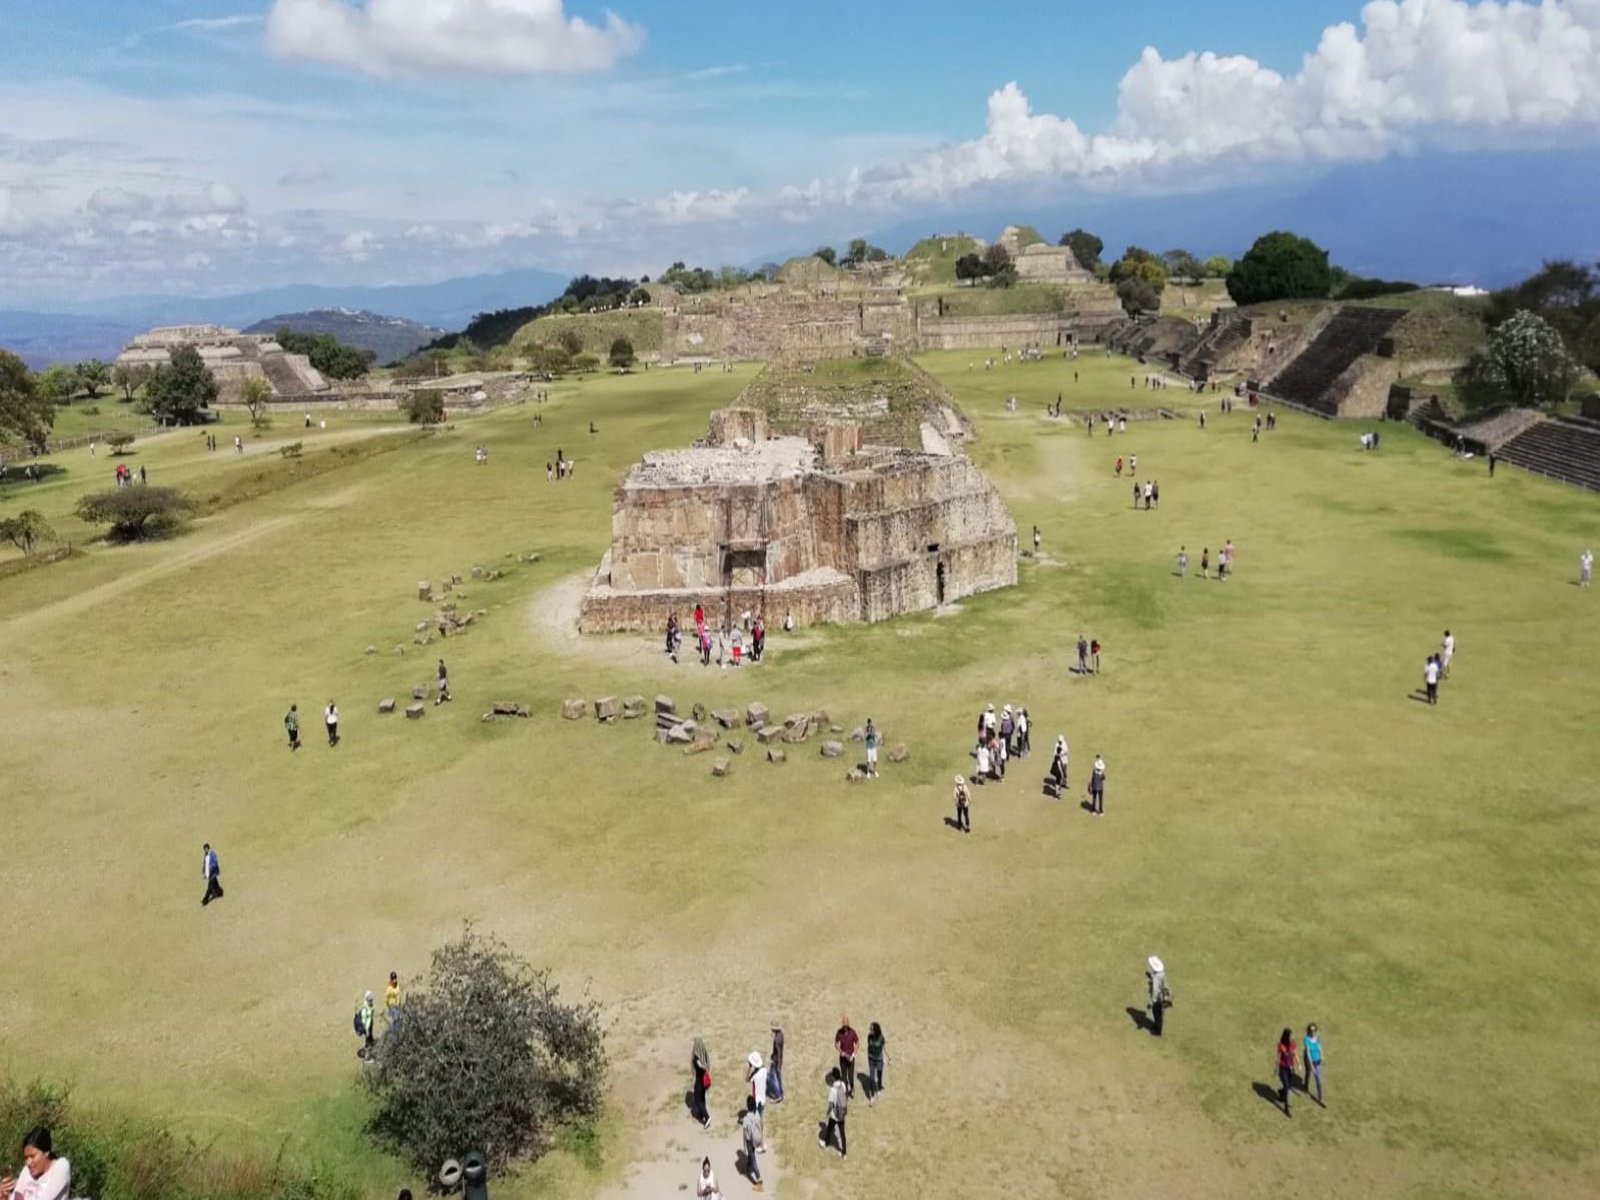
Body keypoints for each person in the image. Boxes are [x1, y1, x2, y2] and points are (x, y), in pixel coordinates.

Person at [0, 1127, 70, 1200]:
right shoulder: (27, 1170)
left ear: (46, 1152)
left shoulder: (61, 1166)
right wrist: (4, 1196)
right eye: (26, 1158)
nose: (28, 1162)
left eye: (32, 1156)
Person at [819, 1068, 848, 1158]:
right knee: (842, 1133)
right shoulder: (843, 1085)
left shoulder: (833, 1090)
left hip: (835, 1115)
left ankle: (826, 1144)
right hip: (842, 1113)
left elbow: (831, 1104)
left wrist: (827, 1112)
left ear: (833, 1077)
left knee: (829, 1129)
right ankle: (844, 1153)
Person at [746, 1051, 768, 1153]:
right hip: (763, 1099)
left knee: (758, 1123)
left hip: (757, 1101)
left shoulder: (755, 1076)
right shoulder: (764, 1071)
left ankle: (761, 1144)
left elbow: (747, 1079)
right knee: (760, 1121)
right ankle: (762, 1142)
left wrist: (749, 1069)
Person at [740, 1097, 763, 1190]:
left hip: (750, 1141)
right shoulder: (757, 1114)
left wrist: (745, 1144)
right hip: (756, 1139)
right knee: (750, 1155)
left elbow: (745, 1134)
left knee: (753, 1160)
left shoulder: (746, 1119)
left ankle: (759, 1182)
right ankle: (748, 1168)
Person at [835, 1016, 859, 1098]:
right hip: (843, 1058)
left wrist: (853, 1054)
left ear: (848, 1025)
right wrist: (840, 1051)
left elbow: (857, 1043)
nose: (845, 1027)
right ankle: (846, 1089)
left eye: (846, 1026)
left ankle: (852, 1089)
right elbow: (836, 1044)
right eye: (844, 1026)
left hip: (851, 1058)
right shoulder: (839, 1032)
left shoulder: (853, 1032)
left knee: (850, 1076)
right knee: (844, 1076)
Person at [1276, 1028, 1298, 1116]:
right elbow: (1282, 1054)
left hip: (1290, 1068)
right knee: (1286, 1086)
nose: (1291, 1037)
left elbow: (1294, 1053)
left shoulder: (1292, 1043)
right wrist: (1276, 1066)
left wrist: (1297, 1064)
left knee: (1289, 1085)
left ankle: (1281, 1092)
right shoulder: (1281, 1045)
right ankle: (1286, 1108)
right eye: (1290, 1035)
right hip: (1283, 1068)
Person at [691, 1038, 711, 1128]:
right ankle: (701, 1114)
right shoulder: (704, 1055)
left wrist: (703, 1067)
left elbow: (699, 1065)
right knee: (702, 1098)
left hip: (699, 1081)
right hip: (704, 1082)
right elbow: (706, 1064)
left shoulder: (696, 1057)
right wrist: (706, 1067)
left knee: (698, 1100)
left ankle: (706, 1117)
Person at [1146, 956, 1169, 1037]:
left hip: (1158, 999)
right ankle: (1156, 1026)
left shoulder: (1156, 977)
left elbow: (1155, 990)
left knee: (1157, 1013)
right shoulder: (1162, 973)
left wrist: (1152, 1002)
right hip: (1163, 997)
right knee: (1159, 1013)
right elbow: (1164, 984)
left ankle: (1157, 1031)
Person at [1303, 1022, 1324, 1106]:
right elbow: (1308, 1052)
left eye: (1314, 1030)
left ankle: (1320, 1099)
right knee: (1308, 1073)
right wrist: (1311, 1065)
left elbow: (1319, 1046)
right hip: (1309, 1060)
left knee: (1318, 1079)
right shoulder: (1306, 1039)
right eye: (1311, 1030)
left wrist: (1322, 1054)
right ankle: (1306, 1086)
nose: (1313, 1032)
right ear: (1308, 1031)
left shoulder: (1318, 1038)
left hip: (1317, 1061)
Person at [865, 1022, 887, 1104]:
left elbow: (883, 1047)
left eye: (871, 1029)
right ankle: (872, 1095)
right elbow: (869, 1047)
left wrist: (884, 1058)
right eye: (870, 1029)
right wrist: (869, 1056)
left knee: (879, 1075)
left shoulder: (881, 1038)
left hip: (879, 1060)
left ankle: (879, 1087)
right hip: (871, 1059)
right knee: (871, 1078)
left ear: (875, 1030)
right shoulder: (869, 1037)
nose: (869, 1030)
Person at [767, 1023, 785, 1102]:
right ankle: (781, 1092)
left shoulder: (776, 1039)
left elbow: (778, 1052)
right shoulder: (781, 1035)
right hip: (777, 1059)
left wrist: (778, 1064)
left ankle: (778, 1095)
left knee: (773, 1078)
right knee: (778, 1077)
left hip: (776, 1060)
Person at [357, 991, 377, 1056]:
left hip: (370, 1026)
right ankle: (367, 1054)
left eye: (371, 999)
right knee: (368, 1039)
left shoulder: (370, 1006)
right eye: (370, 999)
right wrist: (366, 1029)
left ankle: (370, 1051)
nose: (371, 1000)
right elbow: (364, 1020)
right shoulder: (365, 1009)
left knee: (370, 1038)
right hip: (367, 1027)